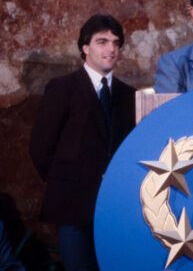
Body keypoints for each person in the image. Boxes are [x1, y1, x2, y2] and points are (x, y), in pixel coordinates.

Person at [29, 14, 136, 271]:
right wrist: (66, 181)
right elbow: (40, 148)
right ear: (85, 48)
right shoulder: (62, 88)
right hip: (71, 206)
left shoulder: (129, 95)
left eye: (115, 42)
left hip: (116, 207)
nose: (110, 48)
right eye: (102, 41)